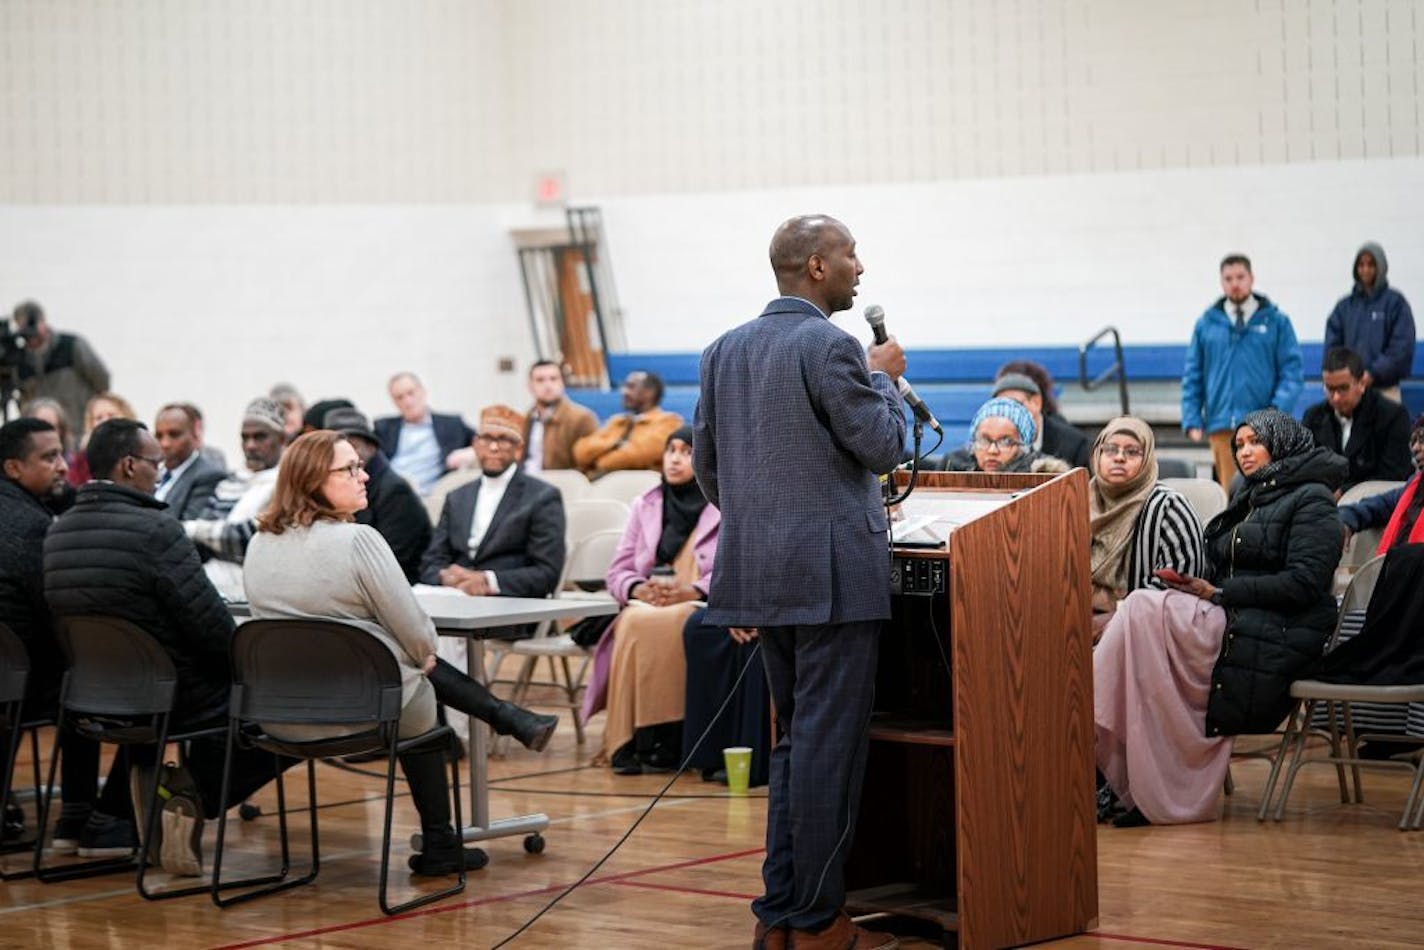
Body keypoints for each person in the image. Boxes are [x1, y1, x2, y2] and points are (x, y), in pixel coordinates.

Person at [695, 214, 906, 950]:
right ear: (817, 266)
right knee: (827, 750)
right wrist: (887, 381)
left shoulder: (723, 350)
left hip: (760, 573)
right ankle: (818, 925)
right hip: (833, 579)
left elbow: (709, 473)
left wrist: (770, 526)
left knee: (794, 747)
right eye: (851, 254)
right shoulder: (831, 345)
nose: (861, 266)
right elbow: (881, 447)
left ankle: (780, 917)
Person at [243, 430, 558, 875]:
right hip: (362, 710)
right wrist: (411, 652)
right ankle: (441, 844)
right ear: (314, 479)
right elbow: (419, 635)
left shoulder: (259, 541)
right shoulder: (359, 541)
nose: (365, 475)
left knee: (400, 664)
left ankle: (510, 719)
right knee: (415, 681)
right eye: (350, 468)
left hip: (280, 711)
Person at [44, 418, 291, 873]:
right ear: (129, 465)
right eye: (155, 464)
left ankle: (111, 822)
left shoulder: (58, 530)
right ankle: (182, 796)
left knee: (163, 699)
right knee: (285, 715)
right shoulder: (156, 530)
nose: (160, 474)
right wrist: (251, 669)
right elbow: (212, 628)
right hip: (168, 695)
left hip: (92, 691)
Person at [1094, 409, 1345, 827]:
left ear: (1281, 443)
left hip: (1272, 631)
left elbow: (1305, 583)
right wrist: (1193, 583)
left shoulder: (1312, 499)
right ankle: (1135, 781)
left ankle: (1098, 730)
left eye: (1253, 442)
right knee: (1142, 614)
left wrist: (1220, 592)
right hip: (1231, 618)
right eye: (1239, 445)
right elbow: (1223, 568)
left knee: (1140, 610)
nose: (1244, 452)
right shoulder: (1252, 494)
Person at [0, 418, 118, 855]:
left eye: (63, 454)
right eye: (49, 457)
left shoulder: (25, 511)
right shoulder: (31, 527)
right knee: (85, 678)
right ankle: (82, 816)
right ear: (13, 468)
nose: (63, 466)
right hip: (24, 680)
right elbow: (57, 607)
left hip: (10, 674)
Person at [581, 427, 720, 774]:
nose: (675, 459)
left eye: (687, 451)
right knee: (633, 619)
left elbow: (734, 566)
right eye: (670, 450)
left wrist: (695, 590)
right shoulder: (646, 504)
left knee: (671, 621)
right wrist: (636, 588)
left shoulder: (723, 504)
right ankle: (630, 739)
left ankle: (670, 735)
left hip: (698, 600)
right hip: (650, 598)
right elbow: (618, 570)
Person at [1181, 254, 1304, 494]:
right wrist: (1192, 417)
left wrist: (1273, 414)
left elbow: (1292, 372)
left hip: (1263, 429)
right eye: (1228, 278)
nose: (1235, 283)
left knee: (1267, 493)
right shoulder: (1206, 324)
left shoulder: (1276, 321)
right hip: (1222, 426)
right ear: (1221, 282)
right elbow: (1192, 374)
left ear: (1251, 279)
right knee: (1232, 496)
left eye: (1240, 277)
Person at [1087, 416, 1206, 634]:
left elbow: (1183, 589)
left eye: (1132, 452)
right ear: (1097, 454)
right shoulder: (1077, 503)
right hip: (1077, 622)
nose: (1119, 458)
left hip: (1146, 634)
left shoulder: (1169, 508)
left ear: (1148, 459)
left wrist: (1118, 621)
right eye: (1110, 449)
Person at [183, 397, 287, 600]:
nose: (250, 445)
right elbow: (206, 533)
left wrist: (193, 529)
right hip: (210, 584)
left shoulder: (286, 483)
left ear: (282, 439)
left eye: (260, 437)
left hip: (251, 593)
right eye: (245, 437)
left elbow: (249, 538)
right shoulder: (230, 481)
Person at [324, 406, 431, 583]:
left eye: (353, 446)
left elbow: (389, 562)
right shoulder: (336, 484)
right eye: (336, 451)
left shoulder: (395, 492)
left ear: (371, 447)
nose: (347, 455)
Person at [1301, 347, 1412, 490]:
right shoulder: (1312, 416)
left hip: (1374, 505)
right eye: (1329, 389)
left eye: (1343, 388)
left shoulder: (1393, 416)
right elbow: (1303, 470)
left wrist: (1345, 491)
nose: (1335, 397)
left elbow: (1392, 478)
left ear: (1362, 384)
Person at [1325, 242, 1415, 403]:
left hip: (1385, 391)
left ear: (1381, 267)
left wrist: (1372, 373)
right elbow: (1333, 347)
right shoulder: (1344, 307)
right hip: (1349, 393)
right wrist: (1346, 375)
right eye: (1361, 264)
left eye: (1371, 264)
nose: (1365, 269)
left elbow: (1401, 347)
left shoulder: (1395, 303)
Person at [11, 300, 110, 437]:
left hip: (79, 431)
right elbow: (24, 400)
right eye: (23, 329)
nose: (29, 334)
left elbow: (102, 381)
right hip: (45, 436)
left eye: (31, 325)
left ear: (43, 320)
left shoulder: (70, 346)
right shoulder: (20, 360)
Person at [374, 372, 475, 495]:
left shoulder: (452, 424)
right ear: (394, 402)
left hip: (432, 494)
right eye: (399, 397)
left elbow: (483, 441)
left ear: (422, 392)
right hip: (392, 492)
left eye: (411, 393)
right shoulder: (383, 428)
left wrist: (470, 452)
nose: (407, 401)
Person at [1338, 413, 1424, 553]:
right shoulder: (1414, 487)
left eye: (1422, 440)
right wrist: (1345, 519)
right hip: (1397, 569)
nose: (1415, 448)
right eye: (1413, 441)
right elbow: (1377, 505)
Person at [572, 371, 683, 475]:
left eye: (631, 387)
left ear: (649, 392)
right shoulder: (617, 421)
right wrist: (616, 443)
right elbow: (581, 452)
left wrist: (597, 462)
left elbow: (637, 455)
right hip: (602, 484)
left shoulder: (669, 422)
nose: (623, 392)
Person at [991, 366, 1091, 467]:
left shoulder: (1074, 444)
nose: (1008, 413)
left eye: (1015, 404)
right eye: (1001, 407)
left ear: (1036, 402)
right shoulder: (991, 447)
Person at [939, 397, 1069, 474]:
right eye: (984, 440)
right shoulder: (953, 465)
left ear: (1023, 446)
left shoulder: (1044, 474)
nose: (992, 450)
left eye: (1006, 442)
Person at [152, 402, 228, 520]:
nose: (165, 443)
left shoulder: (208, 476)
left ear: (194, 435)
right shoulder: (152, 472)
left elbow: (185, 528)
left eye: (174, 434)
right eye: (159, 436)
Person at [521, 360, 598, 474]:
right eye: (540, 380)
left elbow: (591, 467)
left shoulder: (582, 418)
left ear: (562, 383)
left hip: (562, 485)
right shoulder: (528, 417)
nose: (548, 385)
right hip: (528, 483)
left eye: (553, 379)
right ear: (530, 386)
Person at [66, 391, 138, 486]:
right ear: (91, 424)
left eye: (111, 415)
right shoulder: (82, 459)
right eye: (99, 418)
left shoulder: (138, 449)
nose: (105, 421)